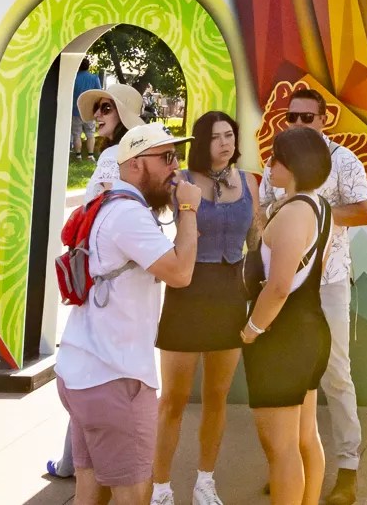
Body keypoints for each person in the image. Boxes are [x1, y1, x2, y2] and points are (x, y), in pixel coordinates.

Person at [58, 121, 203, 505]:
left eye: (177, 156)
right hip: (116, 380)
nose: (176, 167)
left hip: (83, 373)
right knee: (134, 493)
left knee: (91, 491)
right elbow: (180, 273)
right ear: (136, 164)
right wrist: (188, 209)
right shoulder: (128, 215)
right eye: (166, 157)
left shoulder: (107, 204)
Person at [258, 86, 367, 505]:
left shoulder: (343, 161)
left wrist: (313, 214)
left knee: (335, 374)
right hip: (283, 286)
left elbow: (363, 211)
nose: (300, 124)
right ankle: (287, 465)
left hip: (329, 283)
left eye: (308, 117)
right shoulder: (279, 163)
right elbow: (263, 214)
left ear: (325, 119)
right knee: (287, 377)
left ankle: (347, 468)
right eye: (293, 117)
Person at [151, 112, 253, 505]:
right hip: (188, 294)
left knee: (218, 395)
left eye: (230, 135)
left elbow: (258, 239)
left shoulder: (249, 181)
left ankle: (205, 482)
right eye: (215, 138)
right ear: (200, 143)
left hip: (231, 294)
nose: (225, 144)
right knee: (173, 399)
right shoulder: (181, 182)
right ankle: (161, 487)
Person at [245, 125, 337, 505]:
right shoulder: (319, 206)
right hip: (310, 330)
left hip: (281, 339)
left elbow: (279, 285)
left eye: (275, 158)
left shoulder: (295, 213)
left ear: (293, 165)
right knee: (304, 437)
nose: (268, 164)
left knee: (280, 449)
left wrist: (252, 328)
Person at [80, 83, 148, 200]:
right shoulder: (139, 152)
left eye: (106, 108)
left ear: (122, 116)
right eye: (97, 107)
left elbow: (109, 205)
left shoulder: (112, 155)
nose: (96, 114)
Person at [73, 59, 104, 160]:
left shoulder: (73, 78)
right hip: (89, 110)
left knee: (76, 134)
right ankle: (90, 155)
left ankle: (78, 156)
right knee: (90, 134)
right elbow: (99, 93)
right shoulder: (94, 78)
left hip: (75, 110)